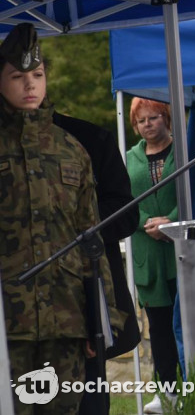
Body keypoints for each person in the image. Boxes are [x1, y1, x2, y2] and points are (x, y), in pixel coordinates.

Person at [0, 23, 125, 415]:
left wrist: (103, 319)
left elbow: (93, 241)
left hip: (66, 320)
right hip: (8, 323)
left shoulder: (72, 150)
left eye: (37, 75)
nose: (30, 86)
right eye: (18, 77)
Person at [52, 111, 141, 415]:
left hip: (81, 300)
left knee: (88, 399)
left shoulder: (90, 139)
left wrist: (73, 222)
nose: (28, 85)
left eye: (37, 75)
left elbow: (126, 214)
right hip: (18, 313)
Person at [125, 97, 181, 414]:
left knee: (184, 323)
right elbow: (124, 201)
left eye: (154, 117)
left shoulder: (182, 151)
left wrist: (171, 220)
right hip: (148, 256)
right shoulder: (129, 157)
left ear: (166, 118)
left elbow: (193, 191)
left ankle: (193, 386)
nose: (147, 124)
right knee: (159, 329)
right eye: (141, 120)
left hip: (179, 251)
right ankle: (167, 393)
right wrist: (149, 223)